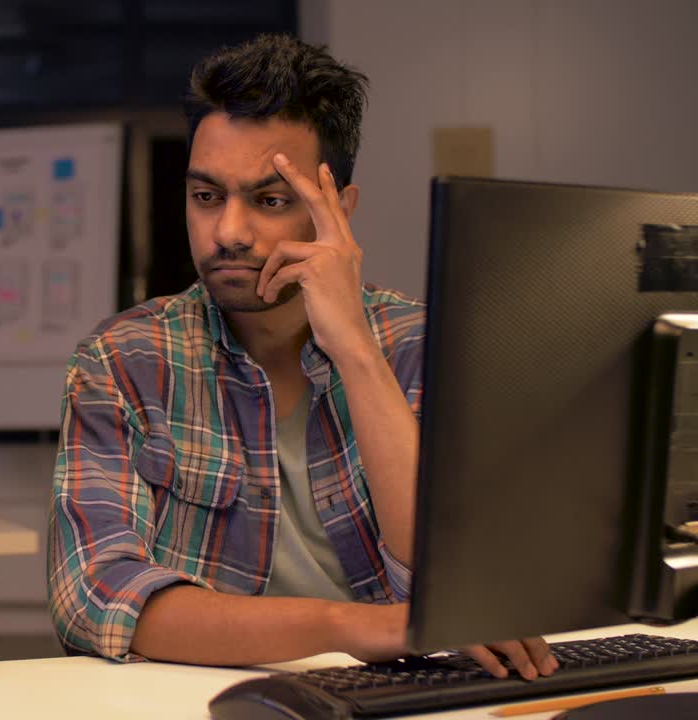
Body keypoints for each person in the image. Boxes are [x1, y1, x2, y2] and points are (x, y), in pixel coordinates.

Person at [48, 33, 557, 677]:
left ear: (338, 210)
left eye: (270, 200)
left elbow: (463, 590)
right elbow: (94, 597)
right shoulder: (124, 360)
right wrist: (348, 626)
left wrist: (354, 350)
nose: (229, 231)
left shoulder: (426, 346)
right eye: (207, 196)